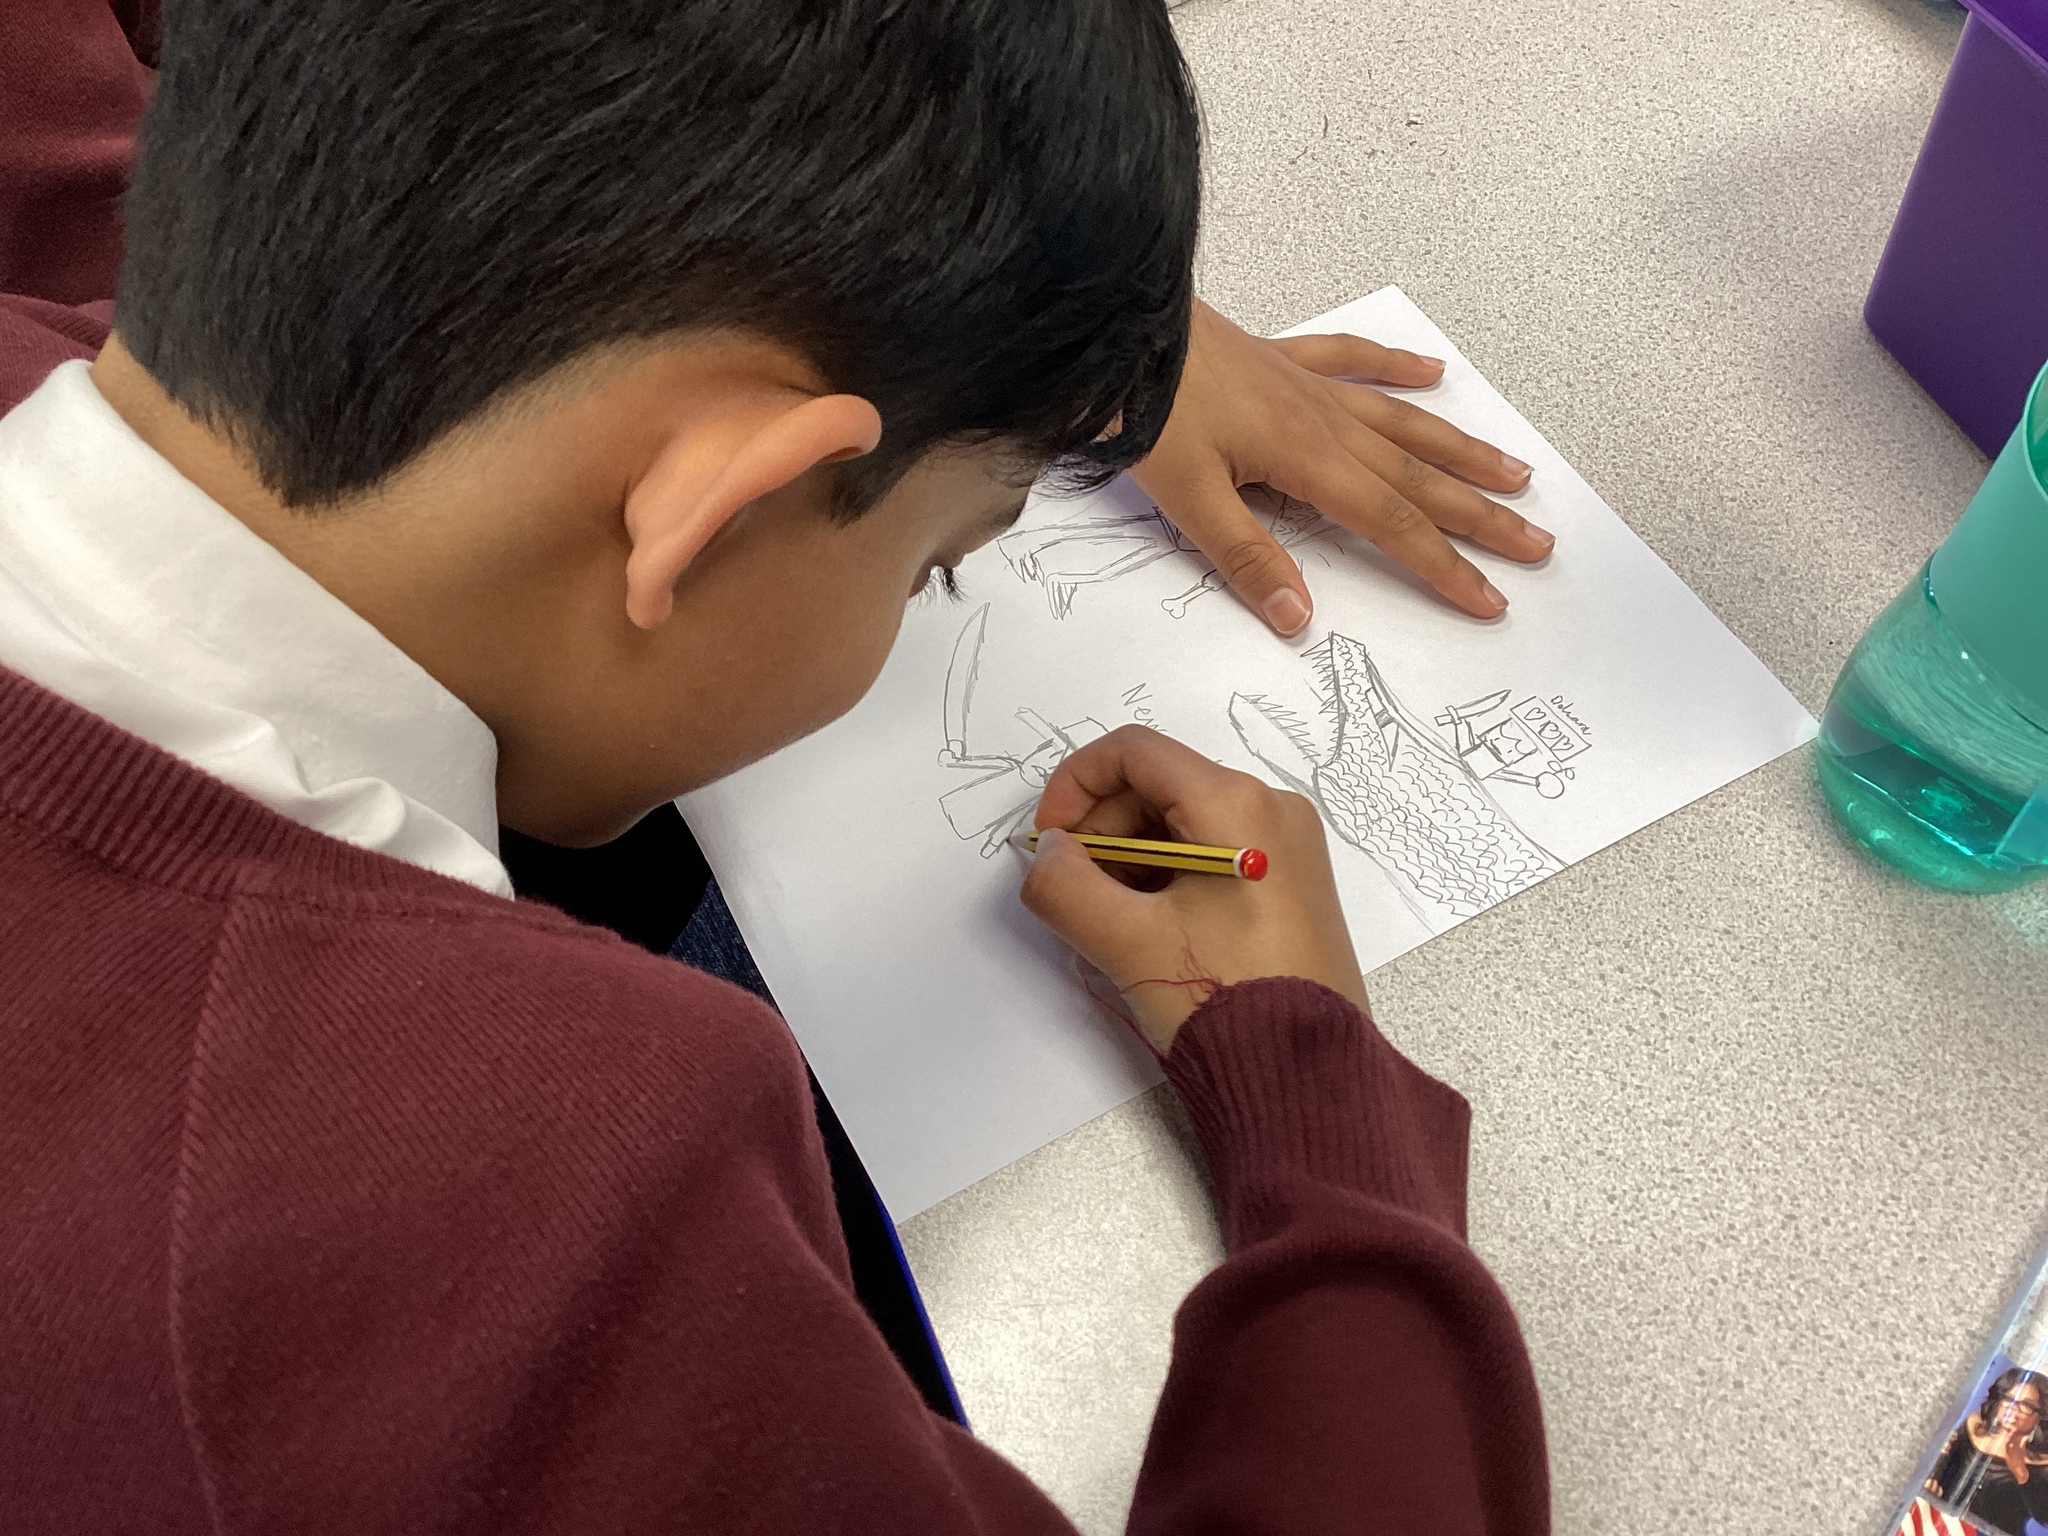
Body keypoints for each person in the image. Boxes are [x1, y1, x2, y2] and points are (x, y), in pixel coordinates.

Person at [0, 1, 1551, 1532]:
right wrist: (1321, 1113)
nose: (930, 597)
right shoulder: (542, 1177)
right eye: (942, 564)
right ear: (726, 506)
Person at [1926, 1368, 2048, 1536]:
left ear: (2040, 1416)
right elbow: (1944, 1471)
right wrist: (1931, 1479)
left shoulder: (2043, 1462)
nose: (2014, 1411)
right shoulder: (1973, 1426)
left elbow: (2043, 1518)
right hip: (1939, 1525)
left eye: (2026, 1406)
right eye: (2009, 1400)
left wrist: (2021, 1472)